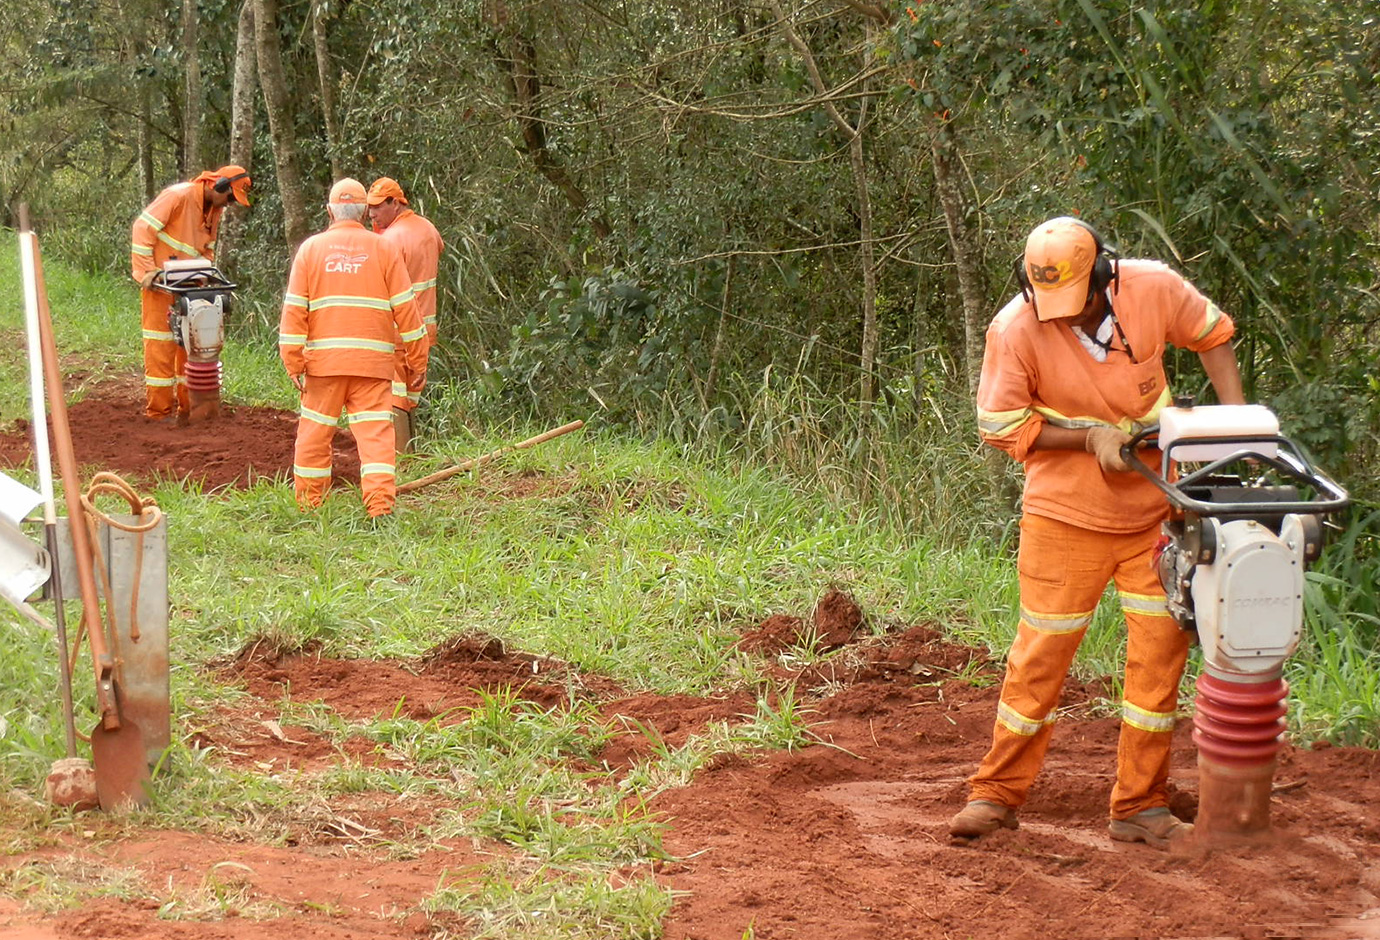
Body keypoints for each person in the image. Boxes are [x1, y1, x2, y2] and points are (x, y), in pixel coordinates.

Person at [951, 216, 1246, 849]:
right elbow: (1002, 427)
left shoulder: (1153, 289)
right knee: (1040, 655)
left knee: (1159, 661)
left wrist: (1234, 422)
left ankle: (1140, 805)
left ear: (1106, 274)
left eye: (1078, 302)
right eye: (1049, 303)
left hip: (1156, 515)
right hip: (1063, 516)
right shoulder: (1014, 329)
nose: (1067, 317)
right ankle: (995, 795)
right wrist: (1088, 438)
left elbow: (1213, 334)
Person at [278, 178, 429, 518]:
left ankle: (310, 507)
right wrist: (417, 362)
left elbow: (293, 312)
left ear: (330, 211)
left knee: (314, 437)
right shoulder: (384, 249)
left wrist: (293, 362)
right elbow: (408, 311)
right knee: (376, 439)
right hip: (373, 367)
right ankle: (379, 509)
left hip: (323, 367)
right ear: (364, 212)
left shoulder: (311, 250)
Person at [130, 165, 251, 421]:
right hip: (161, 285)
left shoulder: (213, 211)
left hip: (191, 288)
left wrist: (206, 274)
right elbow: (142, 228)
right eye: (229, 197)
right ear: (217, 185)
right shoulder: (178, 196)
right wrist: (146, 272)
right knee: (160, 346)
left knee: (193, 346)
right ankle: (158, 414)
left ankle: (190, 411)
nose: (229, 204)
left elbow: (207, 248)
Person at [367, 177, 444, 453]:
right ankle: (412, 453)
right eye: (369, 208)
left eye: (377, 207)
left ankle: (401, 457)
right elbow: (438, 249)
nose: (372, 213)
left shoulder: (389, 240)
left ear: (396, 203)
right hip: (425, 328)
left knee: (395, 395)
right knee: (412, 392)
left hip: (398, 330)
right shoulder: (427, 228)